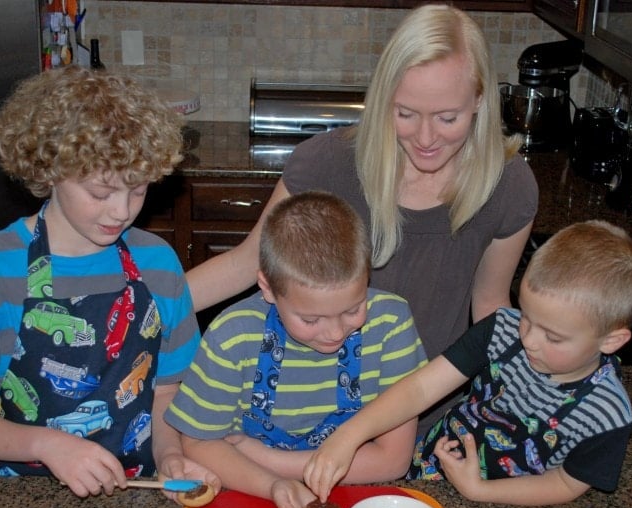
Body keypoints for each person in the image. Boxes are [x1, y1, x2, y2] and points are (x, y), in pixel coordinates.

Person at [186, 4, 538, 430]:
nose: (426, 138)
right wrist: (145, 309)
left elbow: (490, 304)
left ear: (480, 100)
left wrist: (520, 397)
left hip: (428, 418)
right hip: (307, 417)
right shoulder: (328, 163)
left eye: (448, 118)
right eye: (405, 113)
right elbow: (247, 263)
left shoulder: (509, 185)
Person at [0, 66, 221, 500]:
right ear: (51, 167)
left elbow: (165, 393)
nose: (121, 211)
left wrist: (170, 456)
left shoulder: (158, 264)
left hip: (136, 488)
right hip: (22, 498)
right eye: (101, 192)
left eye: (138, 190)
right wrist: (49, 444)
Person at [303, 220, 632, 506]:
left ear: (611, 340)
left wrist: (480, 491)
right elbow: (421, 388)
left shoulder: (607, 416)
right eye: (527, 317)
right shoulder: (500, 331)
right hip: (428, 471)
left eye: (554, 337)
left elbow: (565, 484)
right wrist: (350, 434)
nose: (529, 340)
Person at [165, 191, 428, 508]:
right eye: (310, 319)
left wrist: (271, 461)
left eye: (352, 309)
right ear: (268, 289)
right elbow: (199, 443)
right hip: (250, 499)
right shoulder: (233, 336)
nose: (335, 332)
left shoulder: (391, 325)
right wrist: (272, 484)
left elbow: (393, 461)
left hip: (357, 507)